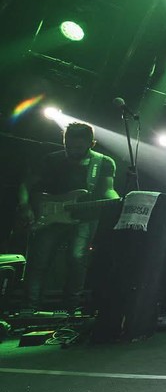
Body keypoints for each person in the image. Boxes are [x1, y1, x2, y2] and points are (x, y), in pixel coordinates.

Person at [16, 122, 119, 313]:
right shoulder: (50, 160)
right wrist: (25, 207)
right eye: (68, 145)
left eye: (78, 147)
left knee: (77, 260)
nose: (72, 150)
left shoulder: (103, 162)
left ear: (92, 144)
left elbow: (108, 190)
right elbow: (26, 185)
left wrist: (117, 201)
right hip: (48, 217)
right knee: (38, 263)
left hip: (84, 218)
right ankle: (29, 309)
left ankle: (71, 310)